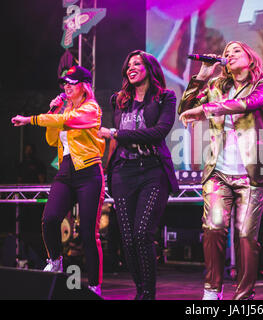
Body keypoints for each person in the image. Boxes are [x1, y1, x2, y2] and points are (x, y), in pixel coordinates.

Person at [178, 41, 263, 300]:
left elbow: (251, 103)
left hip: (252, 169)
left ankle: (244, 296)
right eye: (225, 53)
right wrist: (201, 77)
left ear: (250, 57)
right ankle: (212, 291)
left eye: (236, 51)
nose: (229, 55)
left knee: (246, 237)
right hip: (218, 170)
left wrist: (207, 109)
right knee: (213, 227)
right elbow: (185, 109)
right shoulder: (215, 87)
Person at [11, 65, 106, 295]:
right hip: (66, 170)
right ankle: (55, 260)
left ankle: (94, 285)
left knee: (87, 234)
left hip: (89, 171)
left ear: (84, 85)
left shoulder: (91, 108)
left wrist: (30, 119)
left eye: (72, 83)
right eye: (65, 83)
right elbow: (52, 137)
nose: (67, 87)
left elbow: (68, 121)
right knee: (50, 219)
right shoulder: (63, 110)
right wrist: (53, 110)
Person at [97, 50, 179, 300]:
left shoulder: (165, 97)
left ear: (149, 68)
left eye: (137, 63)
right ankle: (140, 291)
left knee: (142, 233)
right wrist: (105, 165)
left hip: (152, 171)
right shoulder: (119, 100)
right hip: (123, 172)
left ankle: (148, 295)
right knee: (128, 239)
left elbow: (158, 132)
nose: (131, 68)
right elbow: (114, 141)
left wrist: (117, 134)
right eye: (129, 65)